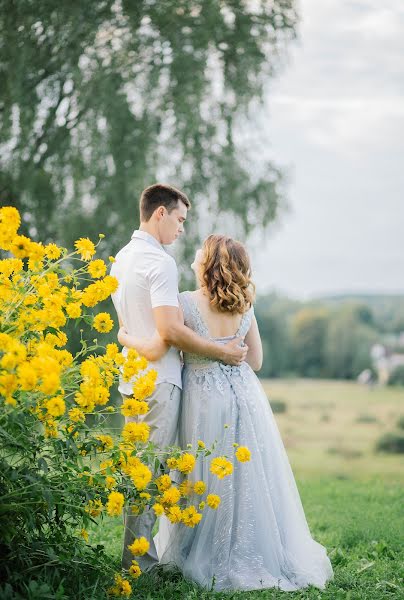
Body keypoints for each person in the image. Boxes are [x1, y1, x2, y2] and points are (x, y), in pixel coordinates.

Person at [118, 234, 334, 592]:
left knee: (202, 472)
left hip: (202, 394)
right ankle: (251, 547)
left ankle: (195, 550)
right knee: (244, 474)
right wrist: (228, 349)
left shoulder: (186, 303)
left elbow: (166, 339)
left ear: (208, 263)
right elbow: (257, 360)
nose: (193, 257)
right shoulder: (245, 304)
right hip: (244, 394)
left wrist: (126, 338)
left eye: (200, 253)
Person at [110, 184, 248, 572]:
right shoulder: (161, 262)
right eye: (180, 219)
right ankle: (139, 566)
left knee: (139, 469)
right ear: (160, 214)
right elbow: (170, 331)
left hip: (131, 377)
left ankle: (139, 560)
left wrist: (128, 339)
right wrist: (222, 351)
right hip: (160, 382)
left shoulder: (121, 258)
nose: (182, 229)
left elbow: (128, 325)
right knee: (152, 474)